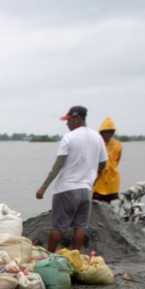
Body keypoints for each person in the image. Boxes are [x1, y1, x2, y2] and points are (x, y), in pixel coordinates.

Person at [36, 105, 108, 253]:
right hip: (86, 190)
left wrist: (43, 187)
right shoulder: (98, 138)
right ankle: (76, 257)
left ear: (78, 118)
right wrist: (92, 180)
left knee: (57, 226)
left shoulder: (69, 138)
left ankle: (49, 257)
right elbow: (103, 164)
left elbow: (58, 165)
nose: (67, 123)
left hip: (66, 189)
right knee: (80, 226)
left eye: (69, 120)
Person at [92, 117, 122, 203]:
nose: (107, 134)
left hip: (111, 179)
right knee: (95, 202)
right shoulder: (96, 143)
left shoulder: (118, 145)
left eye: (110, 132)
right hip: (98, 178)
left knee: (108, 203)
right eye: (105, 132)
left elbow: (117, 160)